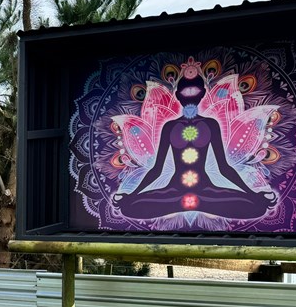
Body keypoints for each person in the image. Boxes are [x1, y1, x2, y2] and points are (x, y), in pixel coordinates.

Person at [113, 58, 276, 220]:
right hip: (173, 190)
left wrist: (250, 193)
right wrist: (132, 195)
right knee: (130, 206)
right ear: (177, 95)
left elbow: (224, 167)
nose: (190, 94)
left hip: (205, 190)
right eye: (185, 91)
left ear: (203, 93)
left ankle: (195, 202)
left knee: (255, 205)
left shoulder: (211, 124)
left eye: (195, 90)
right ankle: (184, 202)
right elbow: (157, 169)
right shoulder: (169, 126)